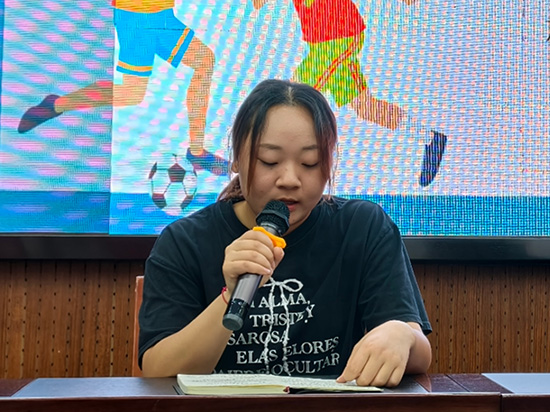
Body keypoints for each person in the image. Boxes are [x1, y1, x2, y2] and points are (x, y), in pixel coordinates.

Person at [138, 79, 432, 387]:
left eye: (309, 162)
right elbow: (158, 370)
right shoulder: (185, 242)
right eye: (270, 161)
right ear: (236, 159)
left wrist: (402, 334)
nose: (290, 179)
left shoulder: (363, 227)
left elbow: (420, 355)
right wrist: (229, 297)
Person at [17, 0, 228, 175]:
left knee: (204, 61)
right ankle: (56, 104)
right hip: (135, 15)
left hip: (162, 15)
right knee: (131, 93)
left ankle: (197, 152)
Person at [252, 0, 447, 187]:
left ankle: (267, 166)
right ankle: (430, 138)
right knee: (365, 107)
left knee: (293, 98)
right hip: (325, 42)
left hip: (337, 38)